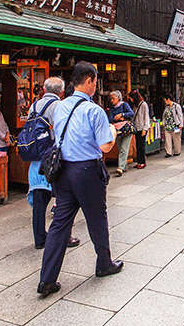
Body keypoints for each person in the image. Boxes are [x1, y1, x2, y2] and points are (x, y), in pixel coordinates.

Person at [37, 62, 122, 296]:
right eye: (95, 81)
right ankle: (104, 263)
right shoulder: (94, 110)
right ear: (89, 81)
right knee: (96, 218)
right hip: (87, 171)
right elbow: (106, 146)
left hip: (63, 171)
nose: (96, 85)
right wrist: (113, 132)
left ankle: (47, 279)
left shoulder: (60, 107)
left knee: (60, 224)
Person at [27, 77, 80, 250]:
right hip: (54, 159)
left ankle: (39, 238)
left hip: (36, 160)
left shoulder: (33, 106)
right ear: (62, 91)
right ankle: (64, 236)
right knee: (63, 200)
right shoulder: (60, 106)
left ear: (44, 89)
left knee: (39, 202)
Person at [108, 91, 134, 177]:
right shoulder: (111, 108)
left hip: (126, 129)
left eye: (113, 98)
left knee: (124, 148)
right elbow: (110, 119)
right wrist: (117, 118)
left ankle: (120, 167)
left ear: (118, 98)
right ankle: (124, 166)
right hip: (117, 130)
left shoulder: (124, 105)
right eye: (111, 98)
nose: (111, 100)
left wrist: (122, 114)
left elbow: (131, 113)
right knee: (120, 149)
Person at [129, 89, 150, 169]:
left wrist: (145, 128)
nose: (130, 100)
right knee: (138, 146)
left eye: (131, 98)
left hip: (142, 128)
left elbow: (146, 117)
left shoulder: (144, 104)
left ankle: (142, 162)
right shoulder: (135, 105)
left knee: (141, 146)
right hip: (137, 128)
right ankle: (139, 161)